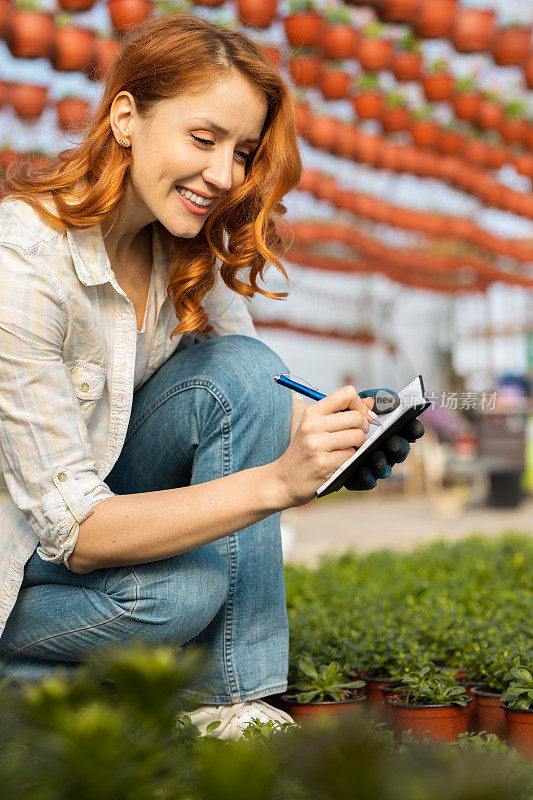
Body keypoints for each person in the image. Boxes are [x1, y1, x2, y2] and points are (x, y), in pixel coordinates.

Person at [0, 13, 424, 739]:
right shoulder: (25, 262)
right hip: (25, 566)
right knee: (177, 597)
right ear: (126, 117)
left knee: (244, 371)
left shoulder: (181, 256)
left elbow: (258, 400)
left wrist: (342, 437)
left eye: (243, 152)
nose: (225, 175)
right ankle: (45, 677)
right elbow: (75, 531)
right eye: (204, 139)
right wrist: (277, 483)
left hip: (103, 532)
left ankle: (227, 696)